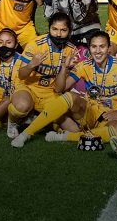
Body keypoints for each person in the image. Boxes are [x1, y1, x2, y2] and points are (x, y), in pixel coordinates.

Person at [14, 31, 117, 144]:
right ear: (89, 48)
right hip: (88, 113)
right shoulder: (83, 65)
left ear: (109, 48)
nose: (98, 51)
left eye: (102, 46)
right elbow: (59, 89)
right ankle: (26, 134)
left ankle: (68, 136)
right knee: (71, 96)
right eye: (94, 47)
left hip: (111, 116)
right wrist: (65, 67)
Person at [9, 13, 78, 147]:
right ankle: (13, 121)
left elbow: (59, 89)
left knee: (73, 129)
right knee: (22, 106)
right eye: (55, 29)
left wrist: (65, 67)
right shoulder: (36, 44)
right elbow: (22, 75)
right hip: (29, 88)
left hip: (51, 94)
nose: (58, 34)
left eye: (63, 30)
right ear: (49, 28)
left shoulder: (72, 51)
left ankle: (36, 118)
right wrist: (31, 65)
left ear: (69, 31)